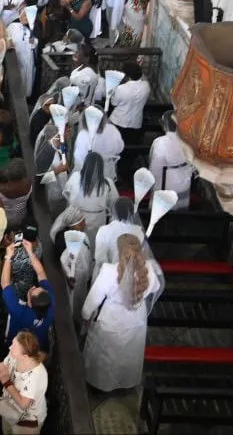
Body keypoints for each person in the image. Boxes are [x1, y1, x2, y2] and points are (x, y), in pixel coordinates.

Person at [82, 234, 159, 392]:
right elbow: (156, 288)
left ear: (120, 251)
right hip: (136, 320)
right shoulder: (149, 269)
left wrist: (85, 315)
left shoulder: (109, 271)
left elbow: (94, 299)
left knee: (108, 356)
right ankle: (125, 383)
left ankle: (102, 385)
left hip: (112, 321)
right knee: (129, 353)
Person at [0, 330, 49, 433]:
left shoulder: (35, 376)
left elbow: (24, 404)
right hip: (10, 411)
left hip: (27, 423)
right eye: (13, 343)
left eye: (14, 347)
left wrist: (6, 381)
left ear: (25, 356)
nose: (10, 347)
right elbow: (6, 369)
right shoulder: (14, 356)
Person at [1, 240, 54, 351]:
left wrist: (8, 257)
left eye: (32, 291)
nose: (33, 287)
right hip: (39, 344)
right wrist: (30, 252)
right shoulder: (50, 302)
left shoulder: (19, 312)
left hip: (17, 346)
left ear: (29, 303)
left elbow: (5, 283)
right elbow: (41, 274)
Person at [148, 110, 194, 210]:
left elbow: (155, 170)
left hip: (165, 188)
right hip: (184, 188)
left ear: (165, 125)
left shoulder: (160, 142)